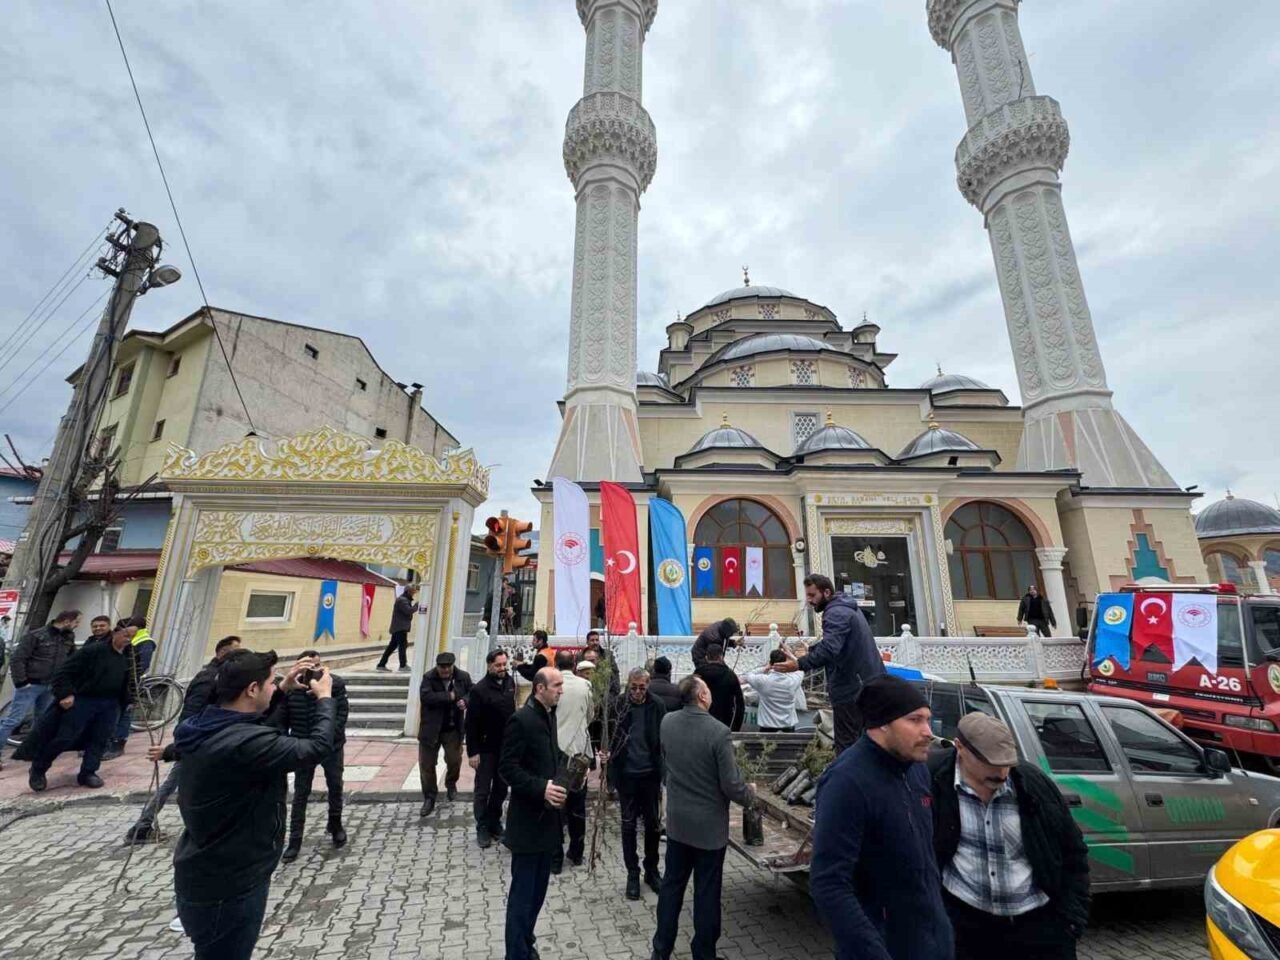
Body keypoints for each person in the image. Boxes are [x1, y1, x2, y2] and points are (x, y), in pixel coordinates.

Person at [170, 649, 336, 960]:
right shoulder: (242, 744)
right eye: (271, 683)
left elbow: (254, 729)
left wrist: (282, 689)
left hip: (208, 868)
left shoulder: (202, 727)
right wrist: (325, 698)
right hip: (230, 882)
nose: (275, 686)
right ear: (252, 689)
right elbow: (316, 747)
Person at [809, 675, 953, 960]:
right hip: (884, 945)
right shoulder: (846, 782)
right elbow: (829, 883)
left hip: (930, 941)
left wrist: (944, 929)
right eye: (914, 720)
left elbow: (925, 857)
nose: (928, 732)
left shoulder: (916, 768)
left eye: (927, 719)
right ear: (882, 723)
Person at [929, 713, 1089, 960]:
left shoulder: (1033, 784)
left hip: (1037, 927)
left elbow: (1074, 853)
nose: (1002, 771)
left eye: (1007, 762)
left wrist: (1069, 922)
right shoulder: (933, 779)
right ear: (960, 747)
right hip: (967, 929)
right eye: (991, 762)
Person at [651, 676, 753, 960]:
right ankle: (703, 954)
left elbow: (668, 762)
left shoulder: (667, 722)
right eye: (707, 689)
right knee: (706, 894)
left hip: (678, 823)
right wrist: (750, 795)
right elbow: (731, 785)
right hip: (708, 830)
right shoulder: (718, 732)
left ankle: (661, 950)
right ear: (703, 697)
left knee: (672, 887)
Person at [123, 635, 243, 844]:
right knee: (177, 783)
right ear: (222, 652)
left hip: (201, 738)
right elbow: (192, 711)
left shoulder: (218, 676)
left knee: (181, 782)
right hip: (197, 739)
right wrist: (186, 741)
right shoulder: (209, 678)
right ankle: (142, 826)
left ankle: (144, 824)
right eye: (235, 651)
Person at [771, 574, 884, 752]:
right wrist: (810, 652)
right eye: (807, 595)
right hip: (864, 685)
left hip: (852, 689)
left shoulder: (835, 613)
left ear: (827, 592)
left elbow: (830, 649)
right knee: (865, 747)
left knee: (847, 747)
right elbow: (838, 645)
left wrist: (798, 664)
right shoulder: (845, 608)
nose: (809, 601)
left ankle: (845, 780)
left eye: (812, 595)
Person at [499, 667, 566, 960]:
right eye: (556, 686)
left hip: (547, 823)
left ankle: (526, 942)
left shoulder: (548, 716)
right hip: (527, 824)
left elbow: (551, 755)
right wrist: (541, 788)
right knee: (522, 898)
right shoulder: (522, 720)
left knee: (537, 895)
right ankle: (516, 953)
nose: (561, 690)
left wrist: (581, 764)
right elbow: (507, 768)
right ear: (540, 688)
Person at [22, 622, 135, 791]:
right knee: (64, 737)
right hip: (84, 700)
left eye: (132, 636)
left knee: (100, 738)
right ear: (115, 633)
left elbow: (127, 679)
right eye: (126, 635)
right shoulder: (94, 651)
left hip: (110, 704)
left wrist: (128, 700)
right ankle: (38, 768)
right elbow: (64, 672)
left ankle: (88, 772)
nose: (128, 639)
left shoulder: (128, 655)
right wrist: (65, 694)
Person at [282, 650, 350, 861]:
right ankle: (295, 839)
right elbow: (281, 717)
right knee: (301, 792)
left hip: (331, 746)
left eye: (317, 666)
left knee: (335, 785)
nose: (313, 671)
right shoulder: (292, 688)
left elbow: (341, 714)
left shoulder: (334, 684)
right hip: (302, 745)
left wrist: (328, 737)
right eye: (308, 667)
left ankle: (335, 823)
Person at [610, 667, 665, 900]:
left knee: (653, 825)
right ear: (627, 684)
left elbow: (664, 736)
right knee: (628, 825)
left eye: (642, 687)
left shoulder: (657, 705)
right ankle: (632, 872)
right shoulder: (618, 705)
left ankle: (651, 870)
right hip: (626, 774)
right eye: (634, 687)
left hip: (650, 774)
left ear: (648, 684)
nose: (638, 692)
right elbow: (605, 733)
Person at [0, 609, 79, 767]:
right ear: (67, 621)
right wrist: (22, 682)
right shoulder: (36, 635)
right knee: (14, 719)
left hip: (51, 685)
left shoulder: (68, 637)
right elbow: (18, 659)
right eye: (76, 622)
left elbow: (72, 659)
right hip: (31, 684)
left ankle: (33, 750)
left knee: (42, 720)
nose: (77, 626)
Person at [467, 647, 515, 848]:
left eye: (504, 664)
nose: (502, 668)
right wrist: (473, 752)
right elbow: (471, 723)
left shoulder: (509, 682)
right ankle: (482, 826)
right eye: (498, 665)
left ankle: (495, 821)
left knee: (501, 788)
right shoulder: (479, 690)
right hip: (485, 749)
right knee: (483, 790)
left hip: (505, 747)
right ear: (489, 666)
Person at [419, 650, 472, 817]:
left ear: (453, 666)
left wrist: (466, 700)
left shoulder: (463, 676)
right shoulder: (428, 678)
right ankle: (429, 797)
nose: (445, 671)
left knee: (454, 760)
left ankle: (451, 783)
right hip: (431, 730)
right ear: (437, 667)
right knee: (427, 766)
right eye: (442, 668)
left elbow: (473, 692)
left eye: (448, 667)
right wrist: (449, 696)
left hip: (453, 729)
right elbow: (426, 697)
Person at [553, 650, 593, 871]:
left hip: (557, 750)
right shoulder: (584, 685)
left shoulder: (552, 684)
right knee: (578, 805)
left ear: (556, 664)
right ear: (575, 663)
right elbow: (591, 715)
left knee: (556, 804)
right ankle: (577, 853)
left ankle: (556, 857)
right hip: (579, 751)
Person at [104, 616, 156, 759]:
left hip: (129, 684)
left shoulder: (145, 642)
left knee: (124, 713)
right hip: (115, 683)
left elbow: (141, 666)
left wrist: (126, 676)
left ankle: (118, 743)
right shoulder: (127, 639)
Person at [746, 649, 806, 732]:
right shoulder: (793, 680)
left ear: (771, 663)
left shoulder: (763, 681)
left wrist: (765, 668)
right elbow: (801, 666)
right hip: (788, 728)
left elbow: (749, 674)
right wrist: (790, 657)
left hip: (767, 728)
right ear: (785, 663)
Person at [694, 643, 745, 731]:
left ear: (706, 657)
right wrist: (735, 728)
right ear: (721, 657)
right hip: (724, 723)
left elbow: (690, 698)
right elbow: (739, 704)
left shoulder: (698, 674)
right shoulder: (730, 675)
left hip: (701, 723)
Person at [376, 585, 417, 671]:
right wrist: (417, 605)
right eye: (413, 592)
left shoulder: (403, 599)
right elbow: (408, 611)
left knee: (392, 647)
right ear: (408, 592)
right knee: (402, 646)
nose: (413, 594)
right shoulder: (402, 600)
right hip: (400, 628)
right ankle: (403, 665)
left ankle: (381, 664)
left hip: (398, 627)